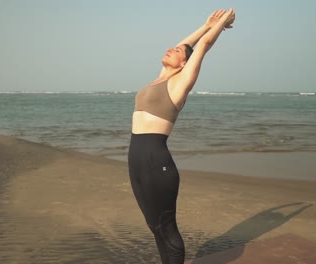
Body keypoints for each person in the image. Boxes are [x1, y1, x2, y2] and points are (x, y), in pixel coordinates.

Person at [128, 8, 236, 264]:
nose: (172, 48)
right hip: (136, 160)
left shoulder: (181, 82)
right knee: (153, 225)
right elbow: (186, 45)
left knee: (166, 226)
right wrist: (204, 24)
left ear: (185, 63)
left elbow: (202, 46)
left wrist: (219, 25)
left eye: (177, 51)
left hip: (156, 160)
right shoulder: (157, 80)